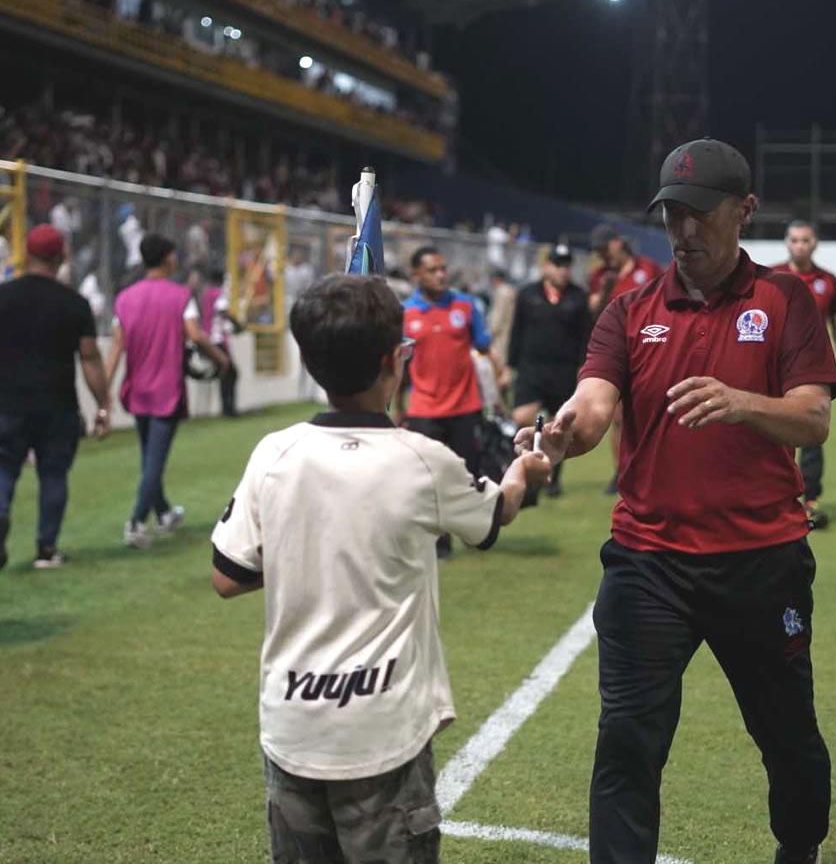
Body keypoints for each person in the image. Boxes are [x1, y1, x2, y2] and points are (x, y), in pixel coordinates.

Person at [519, 139, 836, 864]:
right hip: (648, 565)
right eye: (672, 215)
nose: (684, 232)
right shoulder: (630, 312)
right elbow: (594, 407)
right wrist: (560, 437)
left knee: (787, 738)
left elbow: (812, 416)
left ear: (744, 211)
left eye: (700, 214)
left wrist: (740, 403)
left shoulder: (784, 301)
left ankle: (800, 849)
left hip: (761, 563)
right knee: (627, 740)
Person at [211, 274, 550, 864]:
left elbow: (228, 575)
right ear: (397, 361)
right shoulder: (421, 460)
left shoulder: (273, 453)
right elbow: (497, 515)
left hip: (291, 725)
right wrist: (527, 468)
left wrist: (312, 543)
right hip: (381, 735)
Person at [106, 234, 229, 547]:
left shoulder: (125, 298)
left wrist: (102, 393)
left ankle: (164, 514)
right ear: (168, 258)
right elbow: (195, 335)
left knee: (149, 456)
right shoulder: (180, 296)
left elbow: (116, 347)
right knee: (154, 463)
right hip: (166, 390)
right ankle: (135, 522)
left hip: (136, 390)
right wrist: (220, 358)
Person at [0, 225, 111, 570]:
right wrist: (103, 405)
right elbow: (90, 357)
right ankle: (46, 549)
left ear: (27, 253)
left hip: (7, 402)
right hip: (57, 405)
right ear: (62, 256)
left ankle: (0, 512)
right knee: (53, 475)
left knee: (3, 469)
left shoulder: (3, 296)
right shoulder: (74, 304)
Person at [400, 246, 505, 558]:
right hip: (424, 410)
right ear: (416, 275)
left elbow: (484, 347)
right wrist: (397, 408)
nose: (441, 275)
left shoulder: (465, 305)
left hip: (465, 406)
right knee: (429, 480)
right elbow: (399, 365)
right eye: (432, 270)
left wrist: (500, 382)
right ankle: (439, 541)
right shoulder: (405, 314)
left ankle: (474, 533)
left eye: (443, 268)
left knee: (467, 475)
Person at [773, 220, 836, 530]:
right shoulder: (771, 276)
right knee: (772, 434)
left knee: (811, 434)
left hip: (812, 371)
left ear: (815, 243)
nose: (799, 245)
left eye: (805, 240)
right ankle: (774, 500)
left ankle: (810, 503)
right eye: (794, 240)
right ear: (786, 242)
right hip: (774, 368)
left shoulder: (827, 281)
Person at [508, 245, 591, 497]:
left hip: (563, 370)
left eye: (567, 265)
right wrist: (509, 365)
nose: (563, 271)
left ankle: (553, 477)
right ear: (546, 266)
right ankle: (524, 469)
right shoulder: (527, 295)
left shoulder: (578, 297)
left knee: (558, 426)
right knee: (522, 418)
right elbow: (517, 331)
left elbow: (585, 337)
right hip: (531, 368)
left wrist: (584, 369)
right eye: (558, 264)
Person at [588, 227, 664, 494]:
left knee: (654, 413)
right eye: (598, 253)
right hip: (617, 350)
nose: (602, 257)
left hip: (652, 347)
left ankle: (655, 470)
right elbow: (594, 315)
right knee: (619, 417)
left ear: (617, 243)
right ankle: (621, 473)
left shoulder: (648, 269)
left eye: (604, 250)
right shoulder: (599, 277)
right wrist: (605, 289)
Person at [200, 266, 241, 417]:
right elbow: (224, 311)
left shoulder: (206, 295)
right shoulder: (218, 294)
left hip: (208, 337)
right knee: (231, 373)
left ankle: (227, 408)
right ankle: (229, 409)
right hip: (218, 339)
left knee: (227, 372)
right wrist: (238, 324)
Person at [486, 267, 517, 384]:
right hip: (509, 335)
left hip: (501, 338)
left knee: (498, 373)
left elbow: (496, 320)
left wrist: (488, 335)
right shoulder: (511, 291)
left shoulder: (502, 292)